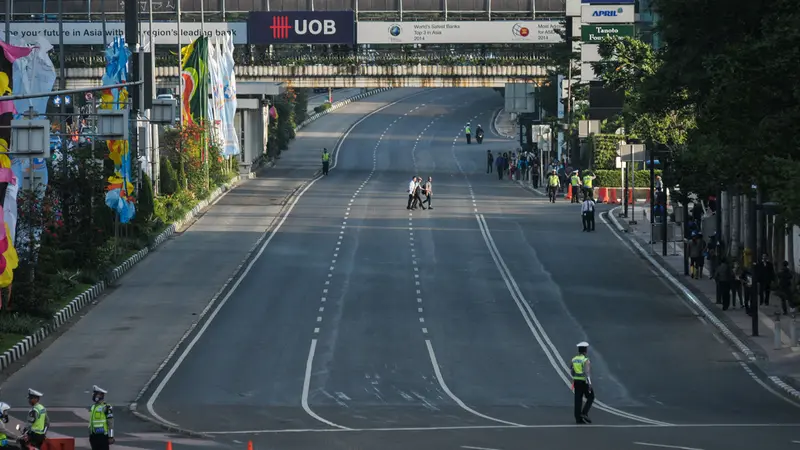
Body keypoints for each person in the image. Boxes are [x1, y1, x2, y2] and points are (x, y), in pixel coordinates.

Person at [571, 342, 594, 424]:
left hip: (576, 381)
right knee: (591, 397)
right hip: (584, 381)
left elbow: (572, 371)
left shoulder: (574, 359)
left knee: (577, 399)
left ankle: (578, 418)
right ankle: (584, 413)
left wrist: (575, 378)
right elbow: (587, 372)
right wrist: (589, 383)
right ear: (585, 351)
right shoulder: (585, 360)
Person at [88, 386, 114, 450]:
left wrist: (110, 436)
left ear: (100, 395)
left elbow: (110, 422)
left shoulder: (106, 407)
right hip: (93, 436)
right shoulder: (93, 407)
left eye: (95, 394)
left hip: (102, 436)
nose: (93, 395)